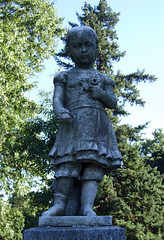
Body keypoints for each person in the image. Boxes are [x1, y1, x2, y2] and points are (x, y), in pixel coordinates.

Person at [42, 25, 122, 217]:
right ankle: (59, 204)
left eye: (88, 45)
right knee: (67, 163)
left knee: (93, 165)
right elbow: (57, 99)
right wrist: (60, 111)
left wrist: (99, 93)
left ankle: (87, 207)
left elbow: (113, 102)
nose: (84, 50)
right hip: (72, 124)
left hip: (97, 126)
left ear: (96, 47)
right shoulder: (64, 76)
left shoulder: (104, 79)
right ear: (69, 50)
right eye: (78, 46)